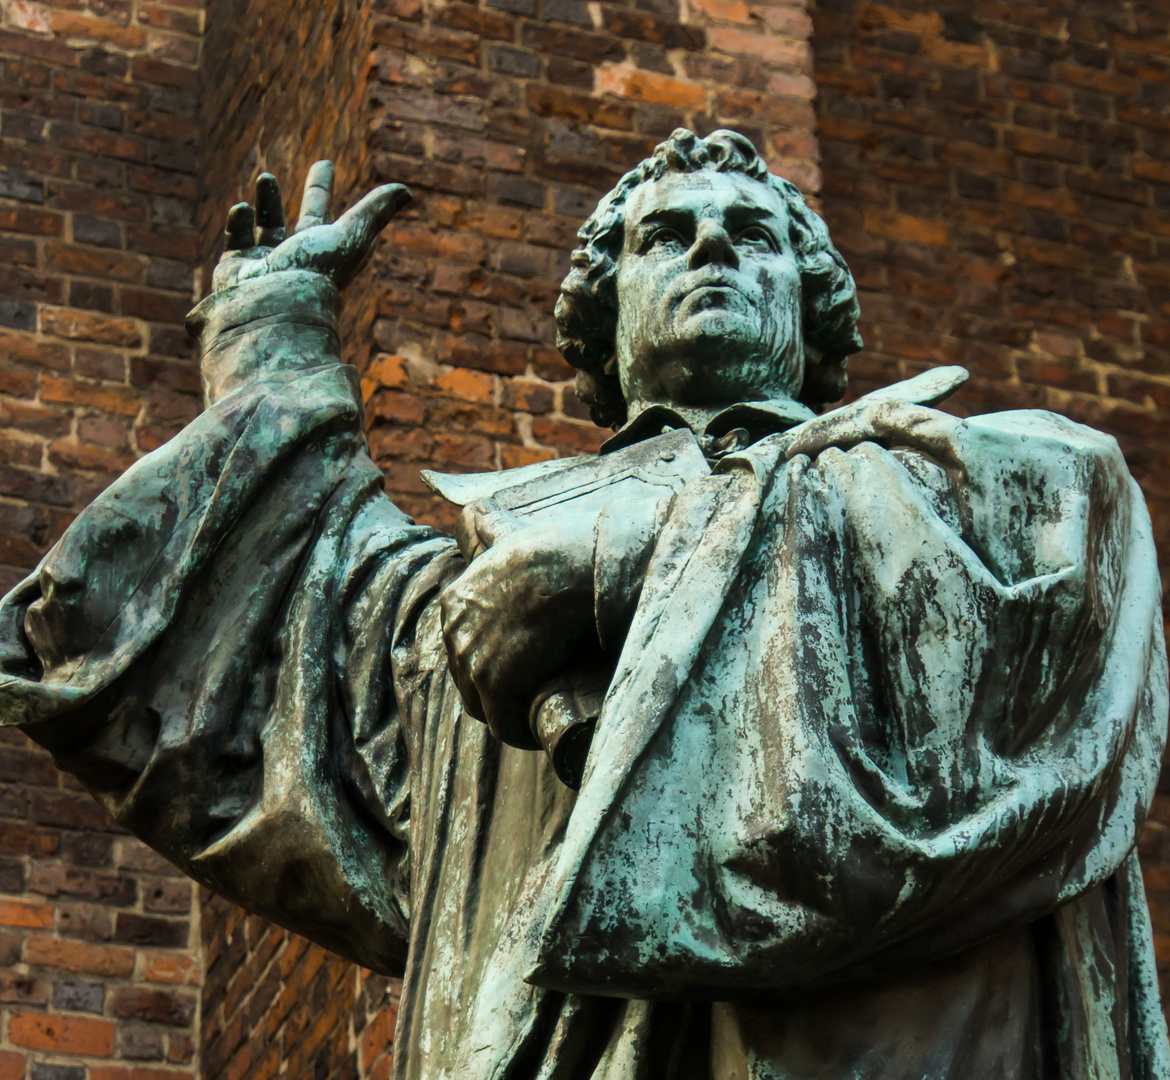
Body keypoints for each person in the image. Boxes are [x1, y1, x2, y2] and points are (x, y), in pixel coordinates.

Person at [0, 129, 1167, 1079]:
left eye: (753, 235)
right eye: (667, 236)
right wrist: (270, 344)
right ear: (605, 318)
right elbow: (291, 673)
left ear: (809, 313)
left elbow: (1074, 539)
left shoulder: (944, 479)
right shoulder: (476, 574)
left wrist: (615, 560)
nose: (713, 245)